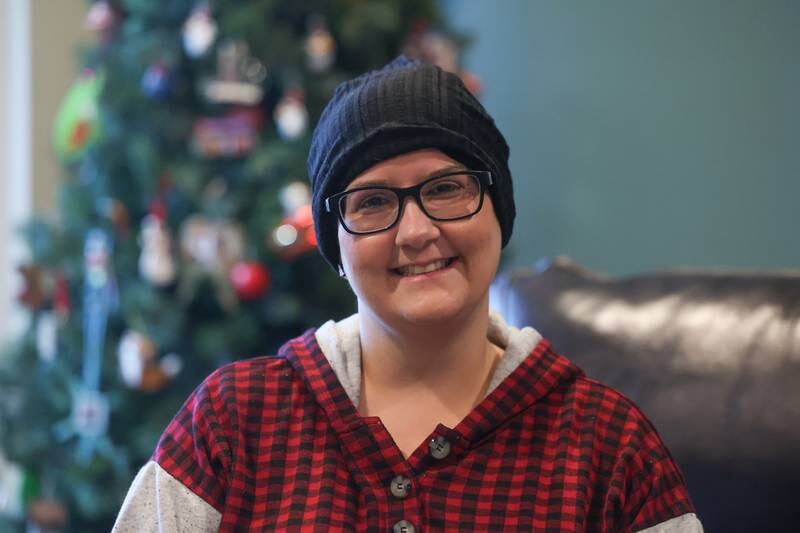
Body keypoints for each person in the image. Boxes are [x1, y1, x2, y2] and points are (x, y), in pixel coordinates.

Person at [112, 56, 703, 532]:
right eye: (372, 202)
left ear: (499, 212)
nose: (417, 232)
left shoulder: (611, 448)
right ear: (334, 247)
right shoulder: (231, 425)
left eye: (446, 188)